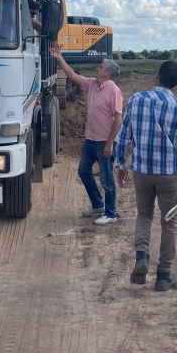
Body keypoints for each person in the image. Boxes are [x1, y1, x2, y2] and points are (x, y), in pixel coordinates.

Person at [115, 60, 177, 291]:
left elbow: (123, 137)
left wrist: (120, 165)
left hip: (141, 172)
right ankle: (164, 276)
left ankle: (142, 256)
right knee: (169, 223)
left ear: (157, 76)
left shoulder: (136, 99)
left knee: (144, 214)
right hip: (169, 175)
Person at [50, 47, 123, 225]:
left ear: (108, 73)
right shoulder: (92, 84)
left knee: (106, 179)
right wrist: (59, 58)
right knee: (83, 171)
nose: (97, 68)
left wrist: (110, 143)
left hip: (104, 142)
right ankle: (98, 205)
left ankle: (111, 213)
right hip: (90, 139)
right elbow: (72, 75)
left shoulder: (114, 91)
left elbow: (118, 118)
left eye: (100, 66)